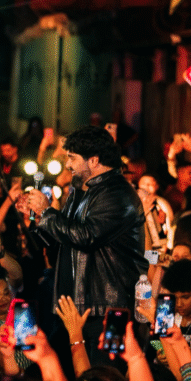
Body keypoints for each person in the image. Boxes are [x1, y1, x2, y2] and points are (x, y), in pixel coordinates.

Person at [26, 125, 147, 366]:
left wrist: (48, 213)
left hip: (108, 311)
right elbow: (63, 239)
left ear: (93, 160)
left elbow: (86, 236)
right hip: (78, 311)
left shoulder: (117, 194)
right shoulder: (82, 191)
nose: (67, 165)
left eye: (72, 158)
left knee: (104, 379)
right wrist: (38, 219)